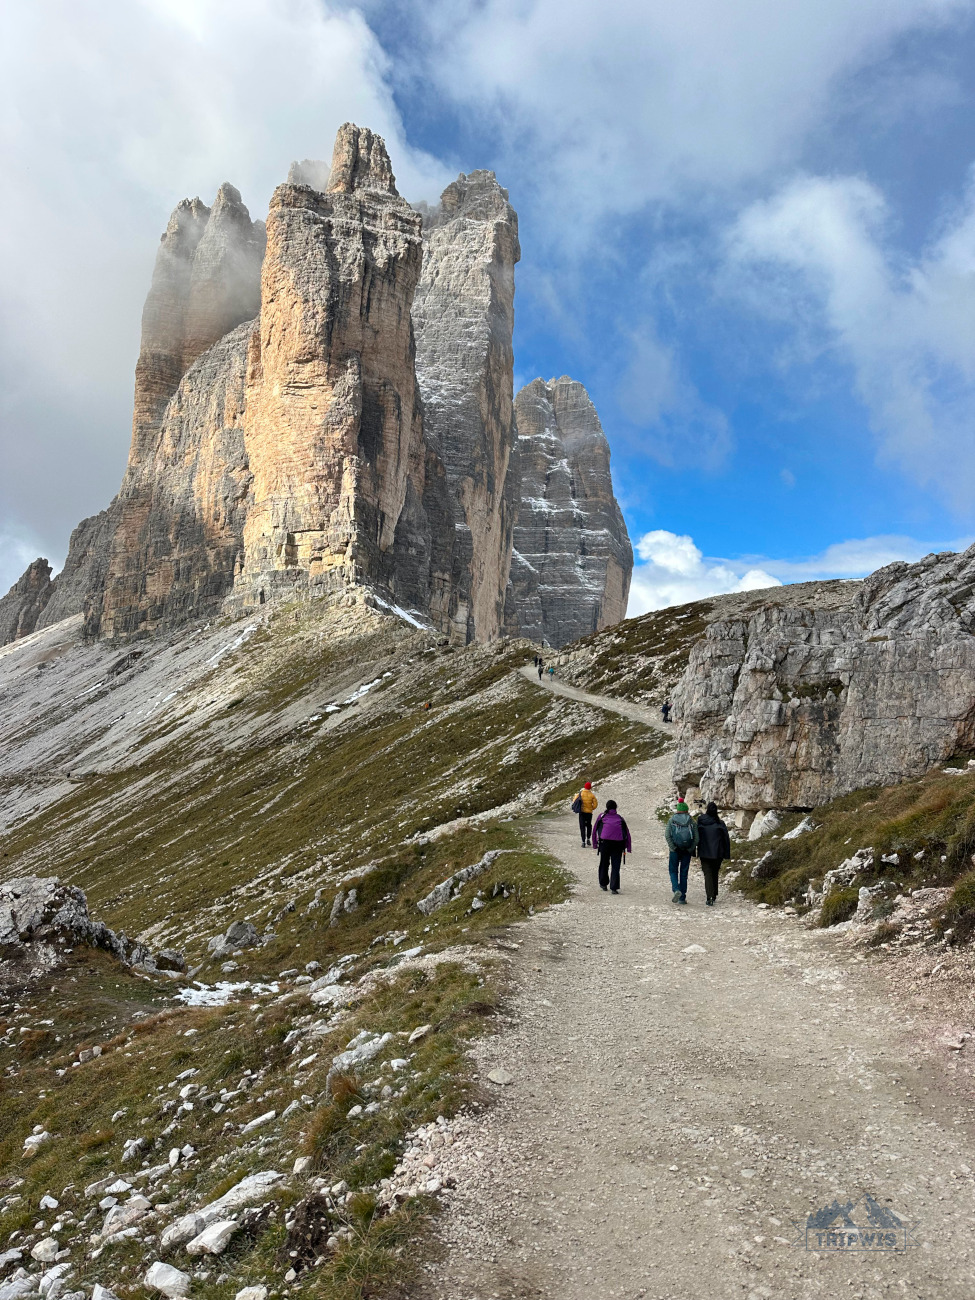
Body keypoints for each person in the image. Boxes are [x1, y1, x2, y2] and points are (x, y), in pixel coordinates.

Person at [696, 801, 731, 906]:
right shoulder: (720, 823)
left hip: (704, 852)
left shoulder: (700, 821)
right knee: (715, 872)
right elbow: (726, 839)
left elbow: (696, 836)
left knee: (708, 874)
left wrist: (695, 850)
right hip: (717, 853)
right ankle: (714, 894)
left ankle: (710, 896)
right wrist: (727, 854)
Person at [592, 799, 631, 894]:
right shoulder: (620, 818)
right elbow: (627, 833)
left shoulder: (602, 816)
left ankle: (603, 884)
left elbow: (595, 830)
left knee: (604, 863)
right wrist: (628, 847)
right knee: (616, 865)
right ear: (615, 808)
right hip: (618, 844)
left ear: (607, 807)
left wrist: (595, 844)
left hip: (604, 843)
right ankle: (614, 887)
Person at [664, 799, 698, 904]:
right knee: (684, 873)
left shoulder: (672, 820)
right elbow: (696, 838)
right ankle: (682, 898)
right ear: (686, 810)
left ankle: (676, 889)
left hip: (675, 850)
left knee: (673, 870)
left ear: (678, 810)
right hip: (686, 850)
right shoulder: (691, 821)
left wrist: (672, 847)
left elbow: (667, 835)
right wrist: (690, 848)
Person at [574, 781, 598, 846]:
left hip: (582, 813)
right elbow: (595, 804)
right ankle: (588, 839)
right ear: (590, 788)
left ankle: (583, 842)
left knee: (582, 827)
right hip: (589, 813)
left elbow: (574, 801)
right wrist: (591, 808)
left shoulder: (580, 794)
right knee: (589, 826)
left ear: (584, 787)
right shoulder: (592, 795)